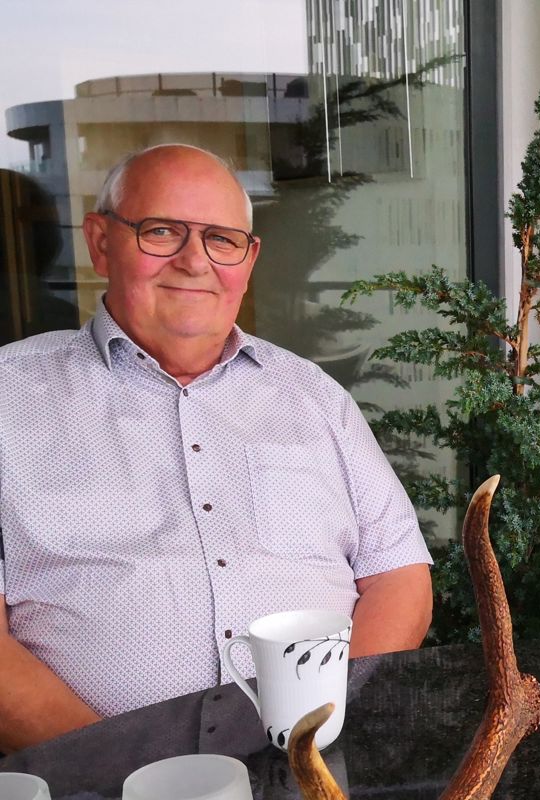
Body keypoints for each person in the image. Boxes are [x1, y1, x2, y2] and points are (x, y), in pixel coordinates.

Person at [0, 144, 434, 752]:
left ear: (248, 260)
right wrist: (116, 770)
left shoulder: (314, 397)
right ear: (100, 242)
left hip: (313, 766)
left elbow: (398, 574)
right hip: (92, 780)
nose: (193, 262)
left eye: (221, 240)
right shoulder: (10, 397)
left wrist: (317, 736)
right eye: (161, 232)